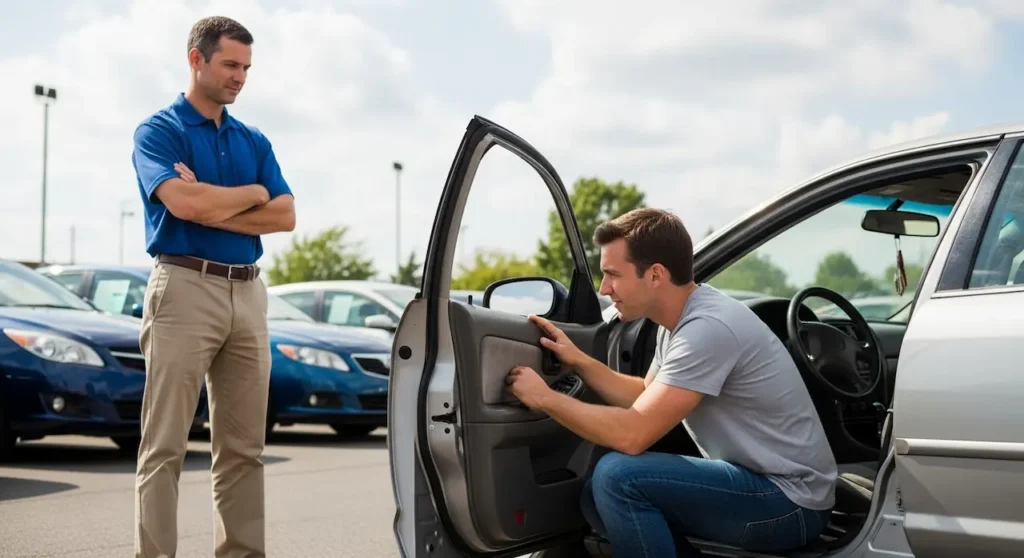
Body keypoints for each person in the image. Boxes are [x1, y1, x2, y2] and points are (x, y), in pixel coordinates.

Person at [506, 208, 837, 556]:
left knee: (617, 478)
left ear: (655, 275)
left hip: (790, 503)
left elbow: (633, 435)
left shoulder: (707, 328)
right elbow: (644, 394)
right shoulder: (681, 320)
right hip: (765, 486)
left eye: (613, 274)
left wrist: (545, 399)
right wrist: (579, 360)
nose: (604, 288)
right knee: (594, 497)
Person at [130, 16, 295, 558]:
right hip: (183, 287)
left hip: (248, 293)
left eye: (246, 67)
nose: (240, 77)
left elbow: (285, 215)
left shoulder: (254, 139)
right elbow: (183, 204)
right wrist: (251, 193)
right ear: (196, 59)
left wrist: (214, 202)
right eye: (229, 64)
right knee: (165, 446)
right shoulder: (159, 132)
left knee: (244, 450)